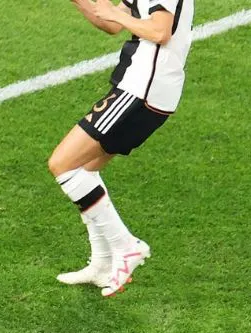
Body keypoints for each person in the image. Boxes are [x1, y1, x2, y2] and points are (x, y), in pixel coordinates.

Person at [50, 0, 194, 296]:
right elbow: (112, 24)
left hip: (143, 89)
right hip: (142, 87)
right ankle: (102, 264)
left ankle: (126, 246)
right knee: (86, 171)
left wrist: (115, 13)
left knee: (63, 164)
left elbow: (160, 31)